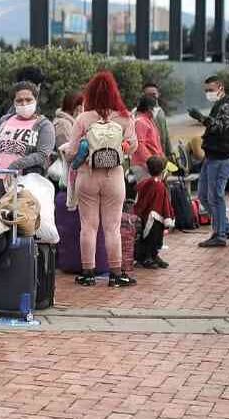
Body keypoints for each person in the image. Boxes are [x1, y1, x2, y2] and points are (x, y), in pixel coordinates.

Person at [67, 71, 138, 288]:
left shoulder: (83, 118)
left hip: (88, 176)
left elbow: (71, 151)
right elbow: (132, 147)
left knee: (88, 226)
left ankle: (88, 273)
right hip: (114, 176)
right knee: (112, 227)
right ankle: (116, 274)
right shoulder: (125, 117)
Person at [188, 76, 229, 247]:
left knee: (215, 197)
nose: (208, 93)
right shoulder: (220, 104)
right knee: (203, 196)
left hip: (221, 158)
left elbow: (221, 127)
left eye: (211, 90)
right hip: (211, 157)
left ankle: (220, 235)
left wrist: (201, 118)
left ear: (220, 87)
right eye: (206, 90)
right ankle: (225, 227)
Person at [0, 79, 55, 175]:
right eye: (19, 100)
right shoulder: (5, 120)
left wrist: (16, 165)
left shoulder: (44, 125)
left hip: (27, 181)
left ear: (36, 100)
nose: (24, 104)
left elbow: (42, 155)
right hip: (0, 176)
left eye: (28, 100)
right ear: (14, 102)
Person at [134, 155, 175, 269]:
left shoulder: (148, 183)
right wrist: (169, 215)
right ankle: (147, 257)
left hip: (152, 216)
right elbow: (165, 202)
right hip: (153, 217)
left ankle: (153, 255)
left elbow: (142, 200)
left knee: (154, 237)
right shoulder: (159, 185)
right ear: (162, 170)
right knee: (151, 238)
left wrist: (139, 211)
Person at [142, 82, 173, 159]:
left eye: (153, 94)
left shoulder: (160, 112)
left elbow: (165, 134)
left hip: (161, 155)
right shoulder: (139, 113)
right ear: (144, 96)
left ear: (158, 94)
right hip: (149, 158)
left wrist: (170, 154)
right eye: (148, 95)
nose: (151, 97)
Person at [132, 96, 164, 169]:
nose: (158, 109)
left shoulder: (149, 121)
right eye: (156, 107)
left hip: (154, 165)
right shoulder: (140, 122)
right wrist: (152, 162)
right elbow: (139, 145)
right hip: (145, 166)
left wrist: (162, 157)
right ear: (149, 108)